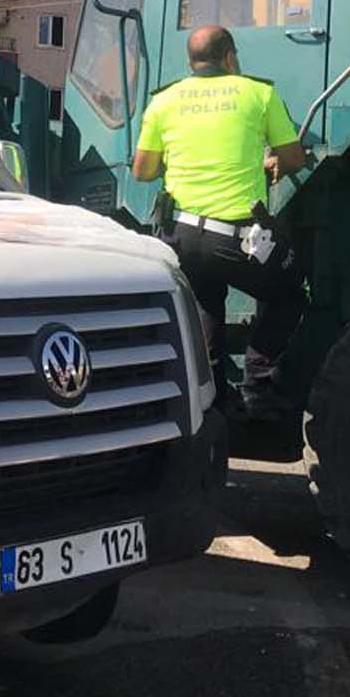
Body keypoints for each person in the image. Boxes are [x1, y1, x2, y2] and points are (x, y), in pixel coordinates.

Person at [131, 25, 307, 417]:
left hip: (180, 235)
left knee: (205, 302)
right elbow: (294, 158)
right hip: (234, 238)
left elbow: (142, 171)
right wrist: (271, 160)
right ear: (229, 57)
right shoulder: (257, 93)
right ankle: (258, 383)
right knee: (290, 293)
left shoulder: (163, 101)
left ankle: (212, 397)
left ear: (191, 61)